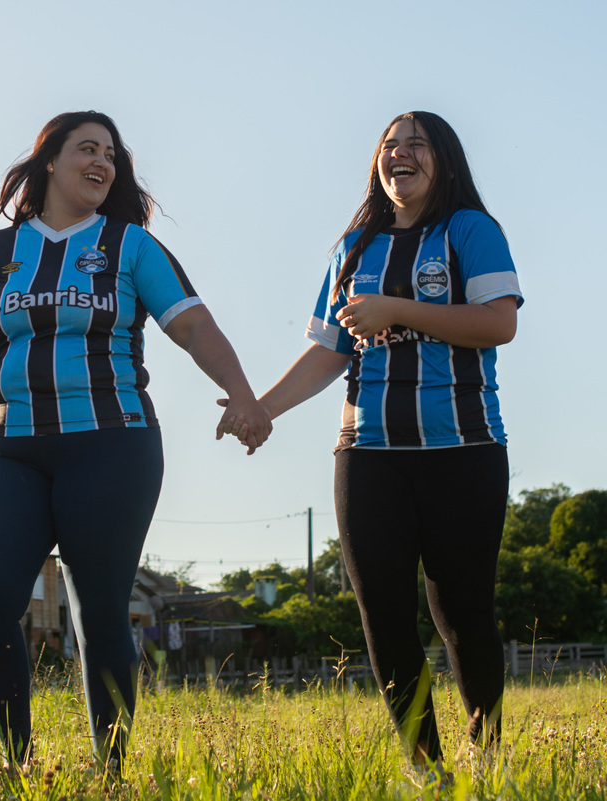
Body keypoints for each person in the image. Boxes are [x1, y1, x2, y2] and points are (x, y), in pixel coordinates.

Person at [0, 110, 269, 771]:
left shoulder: (131, 246)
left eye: (111, 153)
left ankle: (110, 770)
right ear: (49, 160)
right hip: (11, 448)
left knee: (99, 609)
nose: (102, 161)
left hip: (111, 443)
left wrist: (243, 394)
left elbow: (193, 326)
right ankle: (18, 765)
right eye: (88, 148)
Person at [254, 112, 522, 777]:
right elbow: (328, 351)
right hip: (367, 455)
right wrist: (263, 409)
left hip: (463, 449)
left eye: (416, 145)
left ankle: (488, 758)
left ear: (444, 160)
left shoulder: (470, 230)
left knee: (461, 612)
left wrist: (396, 310)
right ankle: (425, 767)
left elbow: (498, 323)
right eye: (389, 146)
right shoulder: (353, 247)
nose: (400, 154)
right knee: (384, 615)